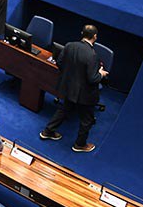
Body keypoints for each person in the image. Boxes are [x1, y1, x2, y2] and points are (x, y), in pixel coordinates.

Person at [39, 25, 109, 153]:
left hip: (69, 88)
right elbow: (93, 79)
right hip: (85, 93)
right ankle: (80, 144)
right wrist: (101, 74)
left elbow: (59, 62)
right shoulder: (92, 55)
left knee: (64, 109)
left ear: (82, 34)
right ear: (95, 37)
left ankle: (47, 131)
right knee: (87, 119)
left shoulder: (69, 45)